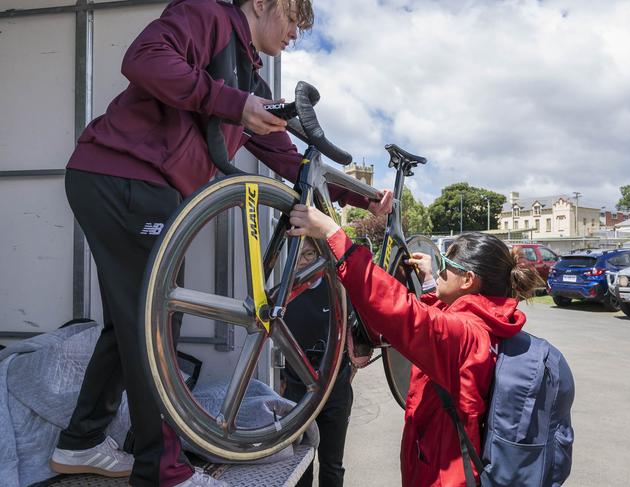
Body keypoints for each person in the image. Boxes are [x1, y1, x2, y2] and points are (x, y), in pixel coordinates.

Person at [49, 1, 392, 486]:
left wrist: (361, 198)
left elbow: (289, 159)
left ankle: (80, 442)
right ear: (259, 4)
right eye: (292, 18)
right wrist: (233, 104)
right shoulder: (206, 16)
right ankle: (163, 470)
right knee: (156, 325)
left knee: (133, 321)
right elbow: (143, 59)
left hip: (131, 184)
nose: (295, 33)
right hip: (123, 177)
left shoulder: (251, 83)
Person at [286, 205, 544, 487]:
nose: (440, 269)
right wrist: (432, 283)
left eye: (446, 266)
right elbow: (441, 326)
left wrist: (333, 234)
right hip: (449, 463)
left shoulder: (465, 336)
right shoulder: (485, 324)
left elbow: (402, 312)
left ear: (468, 280)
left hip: (444, 477)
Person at [281, 239, 354, 487]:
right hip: (298, 390)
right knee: (301, 464)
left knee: (332, 464)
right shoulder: (285, 292)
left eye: (310, 254)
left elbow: (353, 337)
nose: (304, 262)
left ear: (321, 254)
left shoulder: (338, 289)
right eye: (298, 257)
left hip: (335, 389)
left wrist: (348, 372)